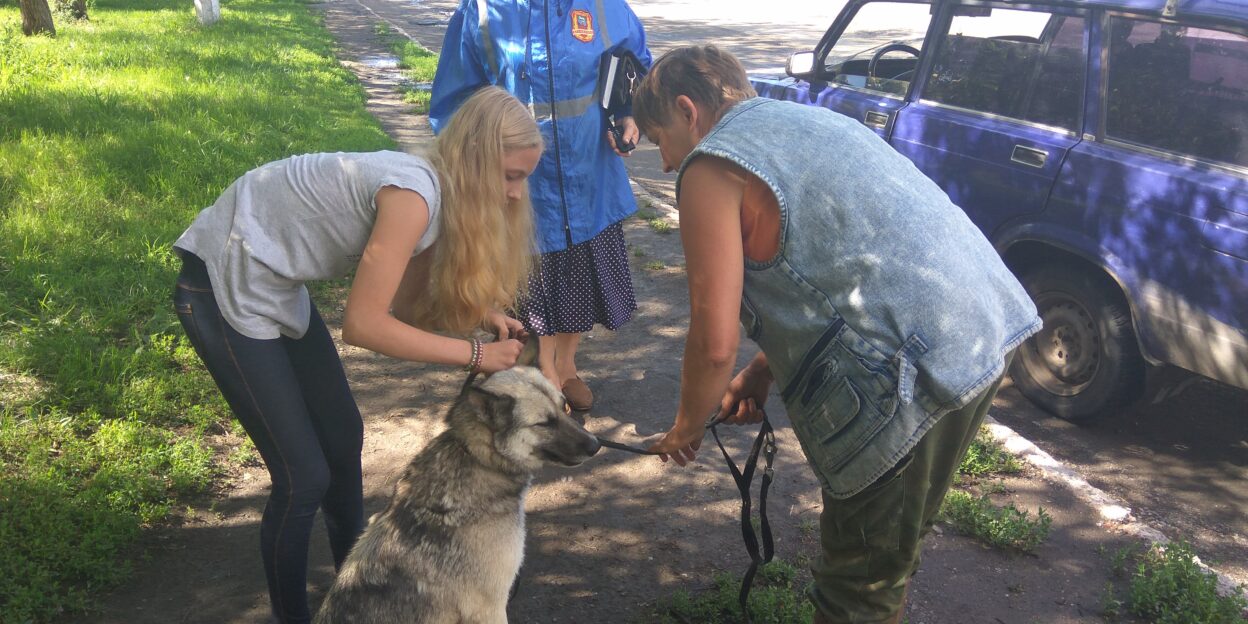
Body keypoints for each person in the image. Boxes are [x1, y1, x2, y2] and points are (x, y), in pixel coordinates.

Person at [635, 46, 1042, 624]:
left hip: (909, 376)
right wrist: (762, 369)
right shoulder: (806, 119)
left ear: (686, 111)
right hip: (981, 331)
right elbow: (834, 265)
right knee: (889, 550)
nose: (668, 163)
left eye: (659, 141)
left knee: (859, 585)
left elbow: (712, 339)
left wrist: (686, 426)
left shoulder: (711, 166)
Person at [170, 86, 542, 624]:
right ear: (475, 163)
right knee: (302, 478)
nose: (516, 194)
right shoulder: (413, 196)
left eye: (524, 177)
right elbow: (364, 327)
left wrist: (477, 318)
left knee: (343, 437)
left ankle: (358, 598)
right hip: (221, 279)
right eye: (510, 176)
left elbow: (407, 312)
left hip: (275, 282)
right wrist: (476, 355)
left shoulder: (440, 201)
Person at [429, 0, 652, 410]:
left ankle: (566, 367)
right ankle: (543, 369)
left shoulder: (602, 5)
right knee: (532, 284)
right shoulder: (481, 11)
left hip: (589, 173)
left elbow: (634, 65)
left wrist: (628, 114)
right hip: (523, 180)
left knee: (582, 274)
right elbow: (454, 103)